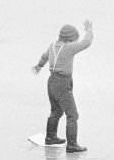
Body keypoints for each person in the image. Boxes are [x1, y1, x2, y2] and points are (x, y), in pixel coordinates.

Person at [32, 20, 93, 152]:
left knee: (56, 111)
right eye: (74, 39)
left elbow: (44, 57)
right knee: (73, 115)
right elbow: (86, 43)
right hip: (62, 83)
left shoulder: (53, 45)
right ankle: (72, 145)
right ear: (70, 38)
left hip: (51, 82)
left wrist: (38, 66)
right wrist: (89, 29)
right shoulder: (69, 47)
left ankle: (50, 137)